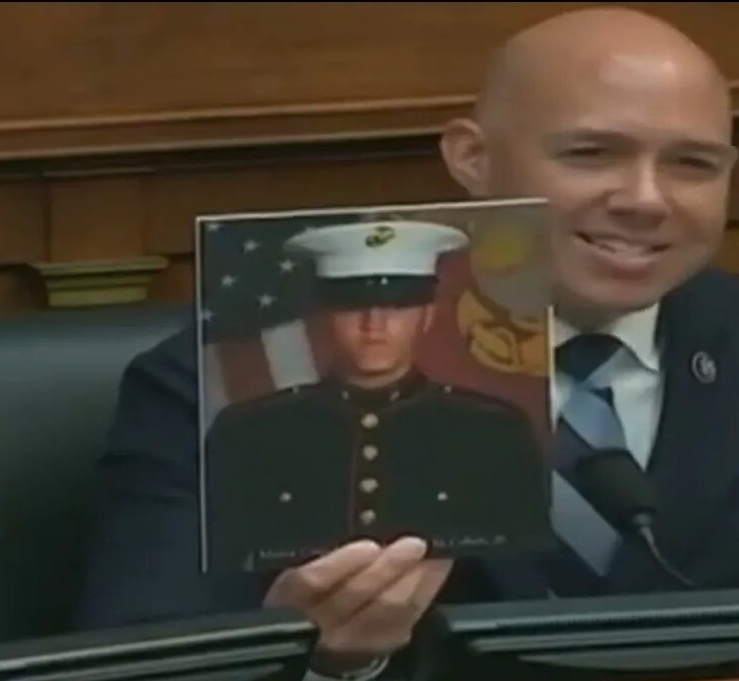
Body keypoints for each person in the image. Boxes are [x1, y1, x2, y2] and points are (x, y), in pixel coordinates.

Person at [74, 5, 739, 681]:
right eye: (592, 153)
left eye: (694, 166)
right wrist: (317, 659)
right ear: (471, 157)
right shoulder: (245, 371)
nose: (646, 200)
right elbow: (134, 665)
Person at [201, 218, 551, 574]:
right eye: (353, 306)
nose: (374, 324)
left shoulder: (492, 431)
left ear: (427, 316)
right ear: (326, 317)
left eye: (398, 307)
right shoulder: (249, 432)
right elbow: (222, 574)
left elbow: (521, 579)